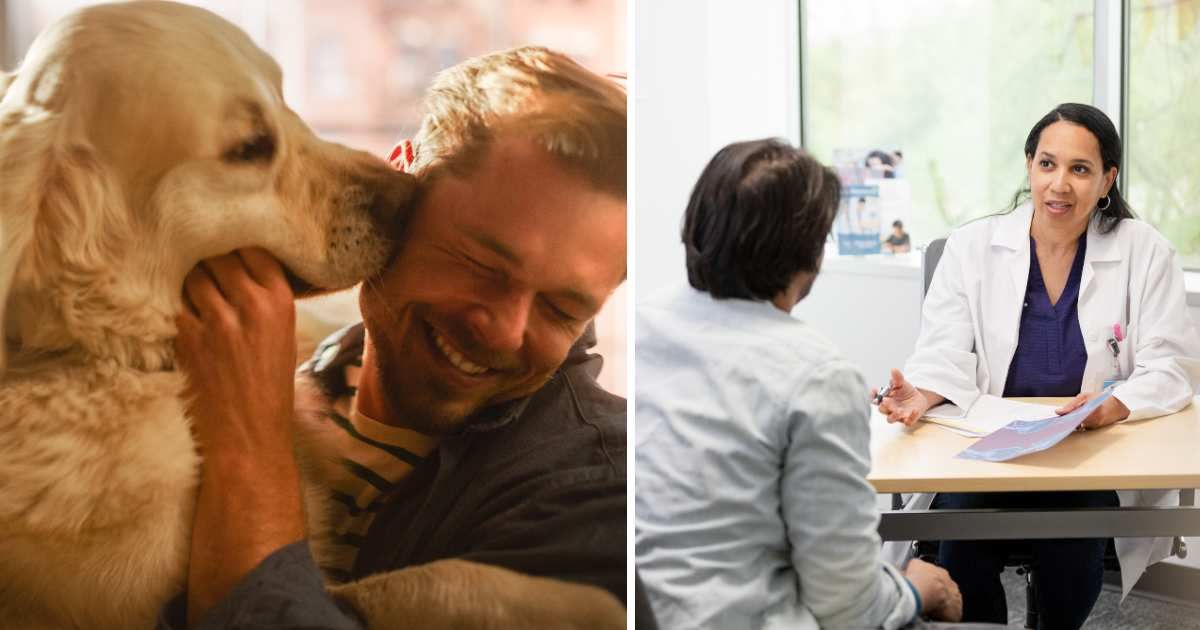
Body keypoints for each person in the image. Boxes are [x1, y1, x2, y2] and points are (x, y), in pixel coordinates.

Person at [166, 46, 628, 628]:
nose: (506, 331)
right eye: (481, 264)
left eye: (561, 309)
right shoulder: (246, 369)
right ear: (402, 185)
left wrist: (247, 446)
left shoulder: (610, 497)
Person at [876, 103, 1200, 628]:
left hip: (1089, 451)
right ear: (1029, 165)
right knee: (962, 538)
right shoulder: (972, 248)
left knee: (1071, 545)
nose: (1060, 185)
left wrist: (1111, 404)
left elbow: (1172, 365)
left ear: (1107, 180)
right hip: (990, 449)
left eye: (1080, 169)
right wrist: (924, 391)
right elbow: (943, 349)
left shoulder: (1146, 252)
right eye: (1047, 164)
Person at [635, 138, 963, 629]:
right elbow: (848, 608)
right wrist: (922, 585)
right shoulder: (815, 376)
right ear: (808, 258)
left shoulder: (645, 326)